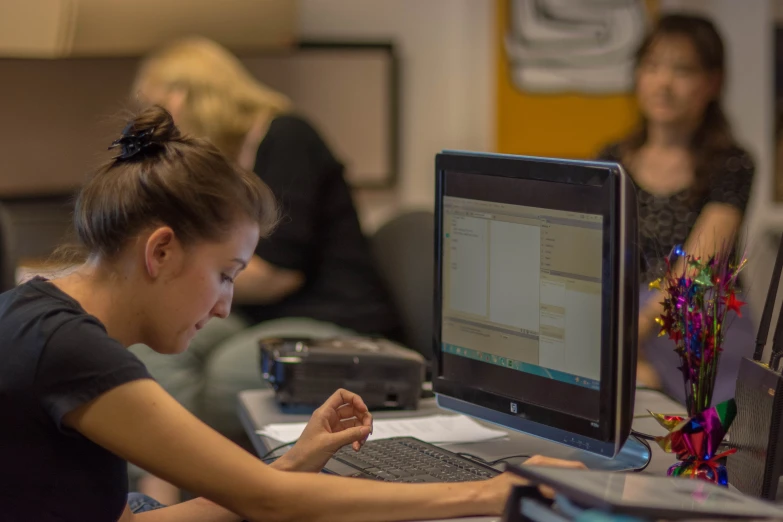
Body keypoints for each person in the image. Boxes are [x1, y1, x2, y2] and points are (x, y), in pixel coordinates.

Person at [0, 106, 583, 521]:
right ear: (160, 251)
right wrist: (491, 493)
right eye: (225, 274)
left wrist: (292, 465)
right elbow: (268, 503)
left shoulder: (33, 311)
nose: (226, 304)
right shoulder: (76, 355)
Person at [128, 38, 402, 442]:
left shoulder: (287, 136)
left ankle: (189, 479)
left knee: (223, 375)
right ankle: (166, 487)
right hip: (264, 315)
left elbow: (277, 273)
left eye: (159, 110)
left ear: (185, 99)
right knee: (152, 345)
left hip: (334, 317)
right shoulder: (227, 157)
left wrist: (179, 283)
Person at [597, 13, 755, 403]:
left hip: (695, 327)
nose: (663, 83)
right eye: (652, 66)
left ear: (712, 82)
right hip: (621, 326)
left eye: (682, 70)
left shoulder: (731, 163)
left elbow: (696, 270)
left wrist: (628, 344)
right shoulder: (610, 159)